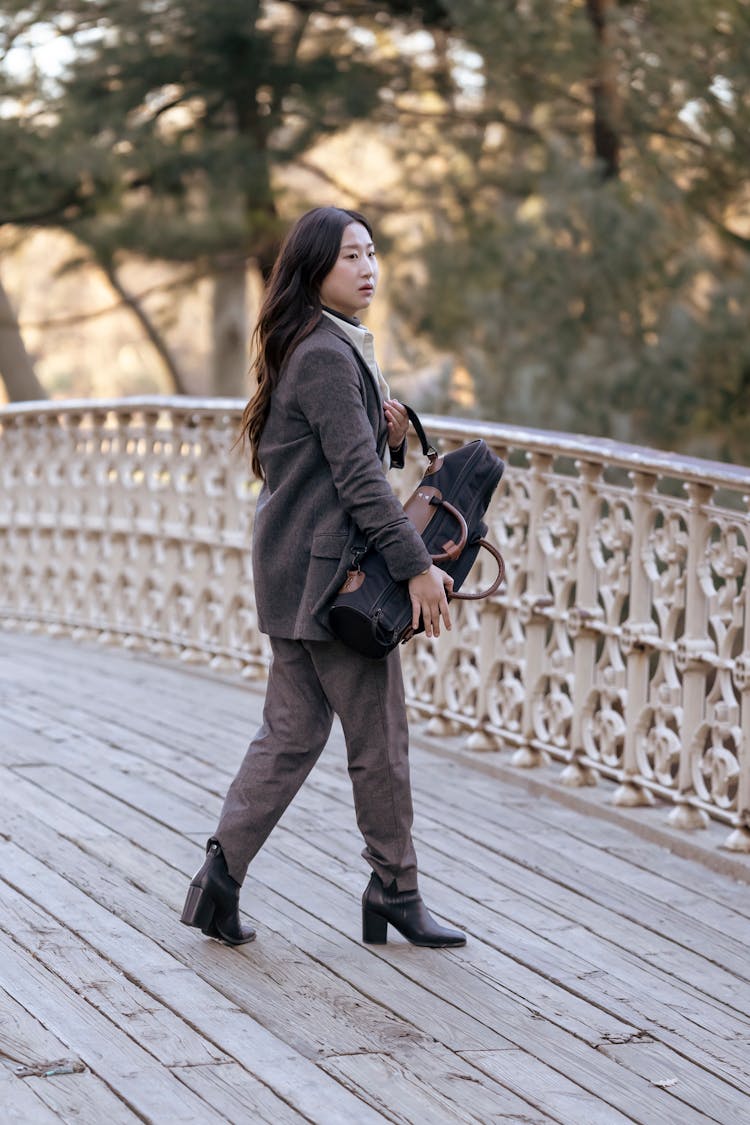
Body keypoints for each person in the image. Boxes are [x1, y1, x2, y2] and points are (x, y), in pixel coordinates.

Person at [180, 206, 465, 949]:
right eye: (350, 256)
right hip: (335, 583)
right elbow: (361, 487)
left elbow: (318, 466)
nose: (367, 268)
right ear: (315, 269)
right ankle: (394, 889)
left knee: (290, 734)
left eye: (372, 253)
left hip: (292, 572)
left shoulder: (312, 346)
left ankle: (219, 878)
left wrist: (387, 436)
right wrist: (419, 570)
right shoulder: (329, 357)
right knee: (380, 739)